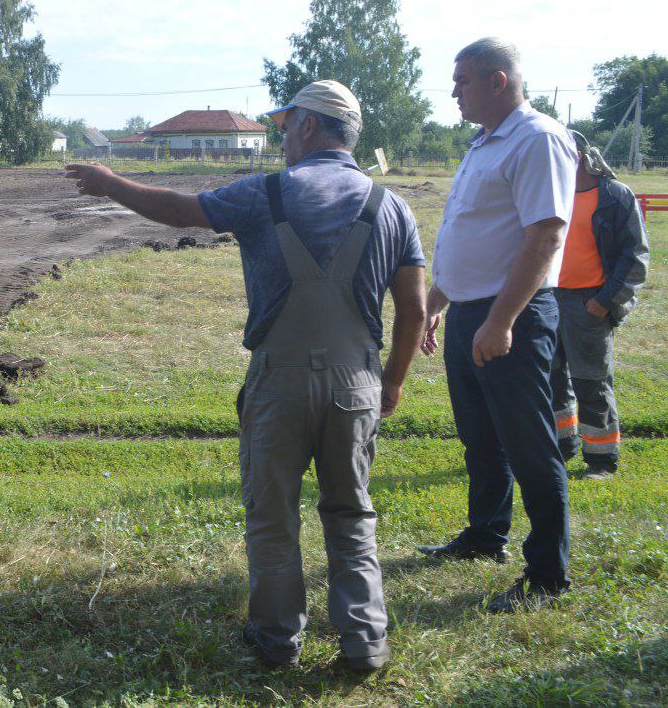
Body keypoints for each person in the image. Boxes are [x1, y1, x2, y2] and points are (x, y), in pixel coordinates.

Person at [65, 80, 427, 671]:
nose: (282, 137)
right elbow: (413, 309)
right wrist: (393, 381)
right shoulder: (392, 206)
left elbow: (182, 210)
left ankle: (278, 639)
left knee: (273, 513)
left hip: (280, 384)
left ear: (309, 126)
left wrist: (110, 185)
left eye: (287, 126)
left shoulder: (268, 193)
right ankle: (365, 641)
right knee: (351, 512)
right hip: (356, 386)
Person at [417, 37, 578, 613]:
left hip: (511, 315)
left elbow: (546, 235)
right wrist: (438, 300)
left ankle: (548, 573)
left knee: (528, 442)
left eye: (461, 80)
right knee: (481, 438)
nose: (454, 91)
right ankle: (486, 535)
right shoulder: (483, 143)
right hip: (469, 313)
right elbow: (473, 235)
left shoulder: (536, 139)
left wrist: (502, 319)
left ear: (497, 81)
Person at [549, 132, 648, 479]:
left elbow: (635, 257)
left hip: (589, 303)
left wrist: (604, 303)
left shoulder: (615, 196)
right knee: (551, 379)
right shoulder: (551, 194)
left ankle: (602, 459)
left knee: (591, 382)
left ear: (576, 155)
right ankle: (563, 448)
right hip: (548, 298)